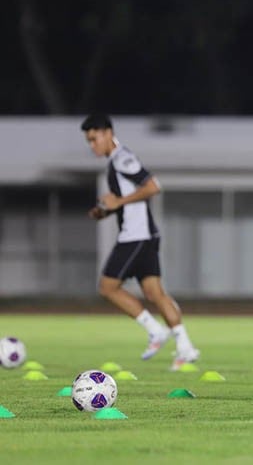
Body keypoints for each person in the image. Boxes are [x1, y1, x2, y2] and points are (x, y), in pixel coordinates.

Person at [81, 114, 199, 371]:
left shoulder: (122, 157)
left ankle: (155, 330)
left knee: (107, 287)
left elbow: (153, 186)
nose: (92, 145)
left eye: (94, 138)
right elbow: (130, 197)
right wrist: (106, 210)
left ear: (108, 132)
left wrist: (118, 202)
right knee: (155, 293)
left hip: (135, 236)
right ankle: (186, 347)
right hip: (145, 235)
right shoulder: (115, 161)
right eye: (88, 141)